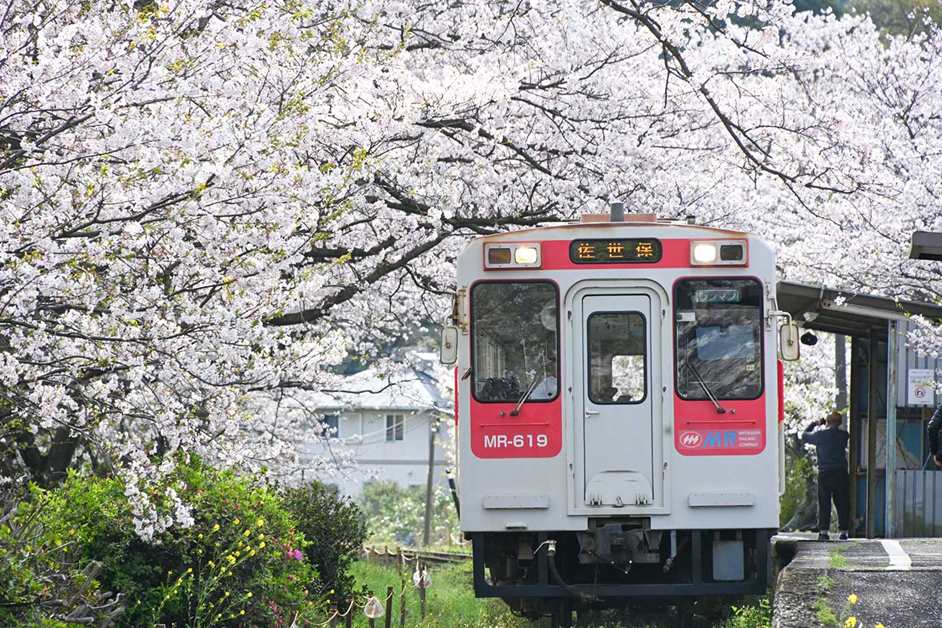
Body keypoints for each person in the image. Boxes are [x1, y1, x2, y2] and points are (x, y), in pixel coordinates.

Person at [801, 410, 850, 541]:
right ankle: (844, 531)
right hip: (841, 472)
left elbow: (804, 435)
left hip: (825, 473)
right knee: (842, 502)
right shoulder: (844, 435)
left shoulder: (820, 435)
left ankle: (823, 532)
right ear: (840, 423)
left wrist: (815, 423)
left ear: (827, 422)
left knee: (825, 502)